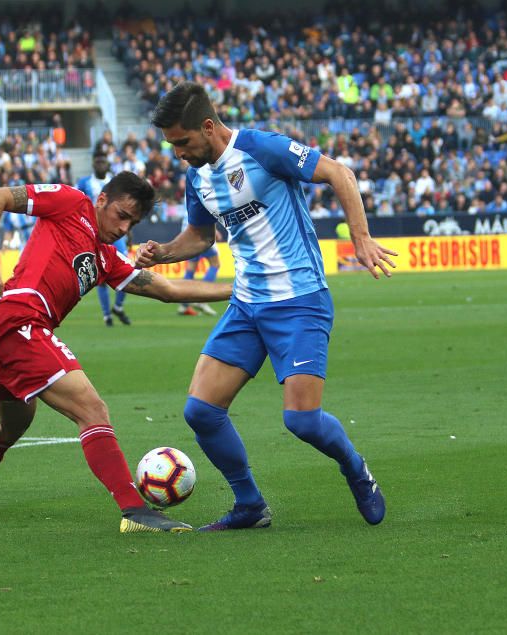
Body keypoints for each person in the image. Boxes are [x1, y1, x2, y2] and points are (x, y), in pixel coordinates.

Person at [137, 81, 398, 531]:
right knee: (200, 411)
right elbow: (200, 237)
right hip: (247, 305)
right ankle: (250, 505)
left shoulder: (261, 148)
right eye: (171, 145)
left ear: (207, 126)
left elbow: (340, 174)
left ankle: (356, 469)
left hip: (299, 300)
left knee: (302, 421)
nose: (178, 152)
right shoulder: (196, 176)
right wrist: (163, 252)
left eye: (182, 142)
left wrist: (360, 238)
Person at [0, 172, 233, 533]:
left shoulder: (105, 258)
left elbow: (168, 290)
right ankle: (135, 511)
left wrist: (236, 290)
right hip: (19, 320)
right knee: (92, 410)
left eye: (132, 223)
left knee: (14, 424)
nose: (124, 227)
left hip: (5, 330)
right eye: (122, 215)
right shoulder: (71, 203)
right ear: (102, 200)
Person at [77, 154, 132, 326]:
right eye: (98, 161)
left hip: (115, 233)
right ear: (93, 164)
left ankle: (119, 306)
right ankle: (107, 314)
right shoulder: (84, 183)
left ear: (107, 164)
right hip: (94, 233)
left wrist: (128, 232)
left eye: (103, 161)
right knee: (99, 273)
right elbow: (78, 205)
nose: (100, 164)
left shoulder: (115, 184)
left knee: (129, 269)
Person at [177, 209, 222, 317]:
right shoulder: (203, 192)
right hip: (200, 232)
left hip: (186, 232)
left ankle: (184, 305)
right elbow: (203, 209)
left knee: (191, 267)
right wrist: (214, 230)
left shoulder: (188, 194)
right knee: (215, 264)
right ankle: (202, 300)